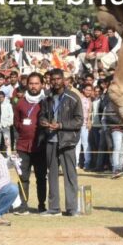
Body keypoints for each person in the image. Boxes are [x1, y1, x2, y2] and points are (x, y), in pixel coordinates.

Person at [38, 68, 82, 217]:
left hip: (67, 141)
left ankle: (72, 209)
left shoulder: (73, 98)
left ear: (63, 80)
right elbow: (42, 116)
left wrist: (61, 125)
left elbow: (79, 121)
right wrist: (44, 122)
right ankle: (54, 208)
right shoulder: (47, 98)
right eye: (53, 79)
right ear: (49, 81)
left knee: (70, 175)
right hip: (51, 139)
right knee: (52, 175)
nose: (55, 82)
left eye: (58, 79)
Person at [13, 72, 47, 213]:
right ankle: (23, 205)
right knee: (23, 177)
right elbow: (16, 122)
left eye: (36, 83)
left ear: (42, 85)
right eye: (31, 83)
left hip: (40, 147)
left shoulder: (46, 101)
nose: (33, 86)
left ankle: (41, 205)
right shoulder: (20, 102)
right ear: (27, 85)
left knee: (41, 177)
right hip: (22, 146)